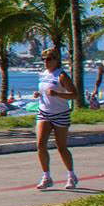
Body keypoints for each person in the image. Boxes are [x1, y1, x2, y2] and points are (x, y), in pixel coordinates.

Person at [34, 49, 80, 190]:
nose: (46, 62)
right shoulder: (43, 75)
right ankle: (46, 176)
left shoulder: (61, 75)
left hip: (60, 113)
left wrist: (57, 93)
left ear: (56, 60)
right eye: (44, 59)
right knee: (41, 145)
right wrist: (38, 94)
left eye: (49, 59)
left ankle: (71, 175)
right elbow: (44, 91)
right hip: (44, 112)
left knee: (61, 147)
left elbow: (75, 95)